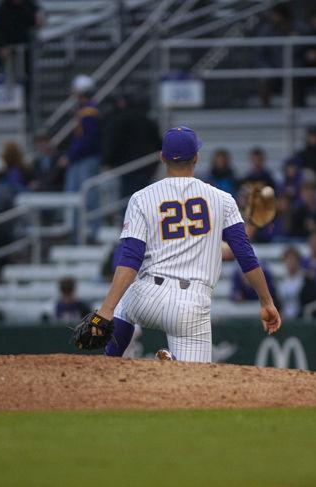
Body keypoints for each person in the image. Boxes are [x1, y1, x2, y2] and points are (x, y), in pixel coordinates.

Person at [90, 126, 280, 362]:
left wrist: (105, 310)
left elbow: (130, 259)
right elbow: (245, 255)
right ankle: (172, 364)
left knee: (123, 304)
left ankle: (109, 362)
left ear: (162, 157)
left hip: (146, 296)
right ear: (197, 158)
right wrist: (266, 301)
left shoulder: (141, 198)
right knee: (194, 387)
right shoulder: (222, 199)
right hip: (190, 305)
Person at [61, 75, 102, 240]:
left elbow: (86, 140)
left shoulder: (89, 112)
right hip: (83, 158)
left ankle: (91, 232)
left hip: (85, 159)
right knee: (78, 197)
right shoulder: (85, 110)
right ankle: (78, 231)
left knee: (88, 196)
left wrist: (71, 155)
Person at [102, 95, 162, 200]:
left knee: (128, 202)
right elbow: (159, 143)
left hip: (128, 168)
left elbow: (113, 142)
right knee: (145, 201)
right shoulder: (147, 120)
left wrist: (107, 161)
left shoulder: (119, 121)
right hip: (146, 167)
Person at [0, 0, 43, 89]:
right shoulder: (2, 8)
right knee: (9, 75)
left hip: (26, 50)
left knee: (28, 78)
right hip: (9, 51)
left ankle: (27, 98)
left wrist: (39, 20)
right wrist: (1, 45)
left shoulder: (29, 5)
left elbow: (37, 21)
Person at [255, 4, 302, 107]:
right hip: (274, 69)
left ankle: (292, 109)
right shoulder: (267, 30)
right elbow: (261, 53)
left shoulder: (297, 28)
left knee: (295, 82)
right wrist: (267, 69)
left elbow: (303, 51)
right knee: (264, 84)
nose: (272, 17)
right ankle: (266, 110)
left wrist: (296, 39)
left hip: (294, 69)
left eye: (275, 14)